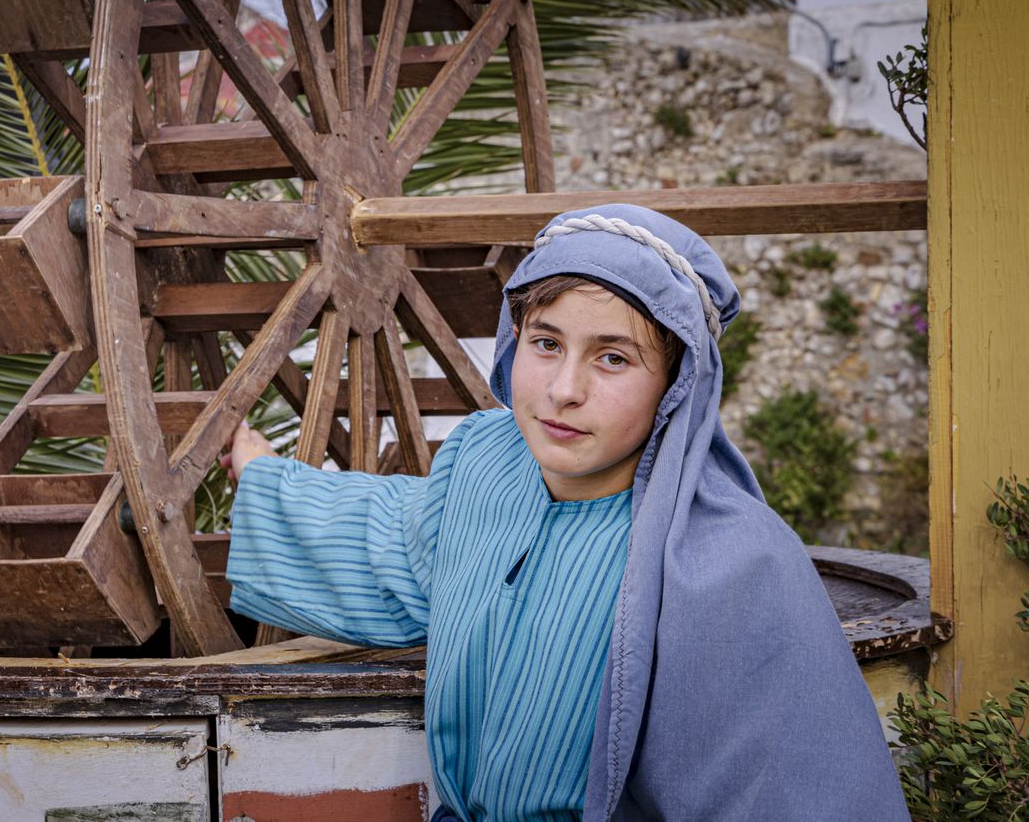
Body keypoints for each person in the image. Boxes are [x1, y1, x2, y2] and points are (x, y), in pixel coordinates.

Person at [221, 204, 908, 821]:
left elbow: (788, 795)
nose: (563, 390)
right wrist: (263, 477)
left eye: (612, 358)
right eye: (545, 344)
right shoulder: (487, 466)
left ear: (675, 387)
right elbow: (396, 534)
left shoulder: (732, 563)